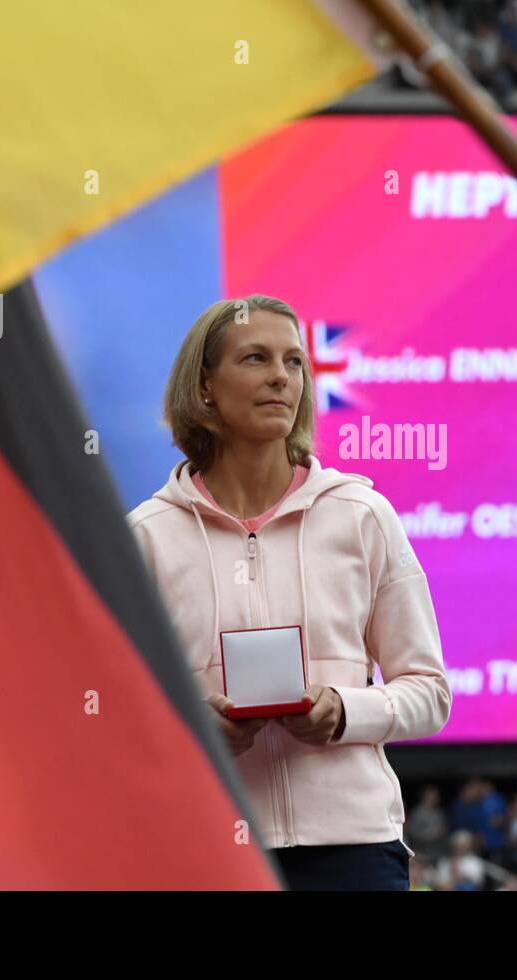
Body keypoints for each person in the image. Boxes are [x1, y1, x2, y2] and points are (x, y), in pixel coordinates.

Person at [128, 294, 451, 890]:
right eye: (255, 358)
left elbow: (430, 694)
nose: (282, 375)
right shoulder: (146, 537)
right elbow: (110, 710)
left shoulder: (362, 515)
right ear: (204, 387)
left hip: (353, 850)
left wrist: (344, 712)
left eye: (294, 361)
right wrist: (194, 725)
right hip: (205, 847)